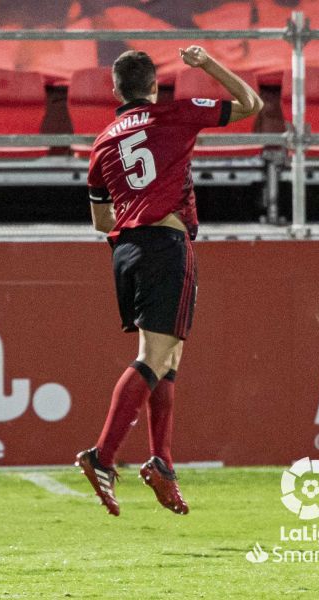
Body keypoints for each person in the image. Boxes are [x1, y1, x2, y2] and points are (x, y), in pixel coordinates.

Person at [76, 47, 263, 516]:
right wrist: (207, 64)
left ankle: (162, 461)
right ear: (154, 87)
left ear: (116, 91)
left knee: (168, 356)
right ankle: (102, 454)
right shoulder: (174, 114)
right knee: (154, 356)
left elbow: (102, 220)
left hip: (127, 250)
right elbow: (251, 103)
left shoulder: (102, 142)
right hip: (166, 245)